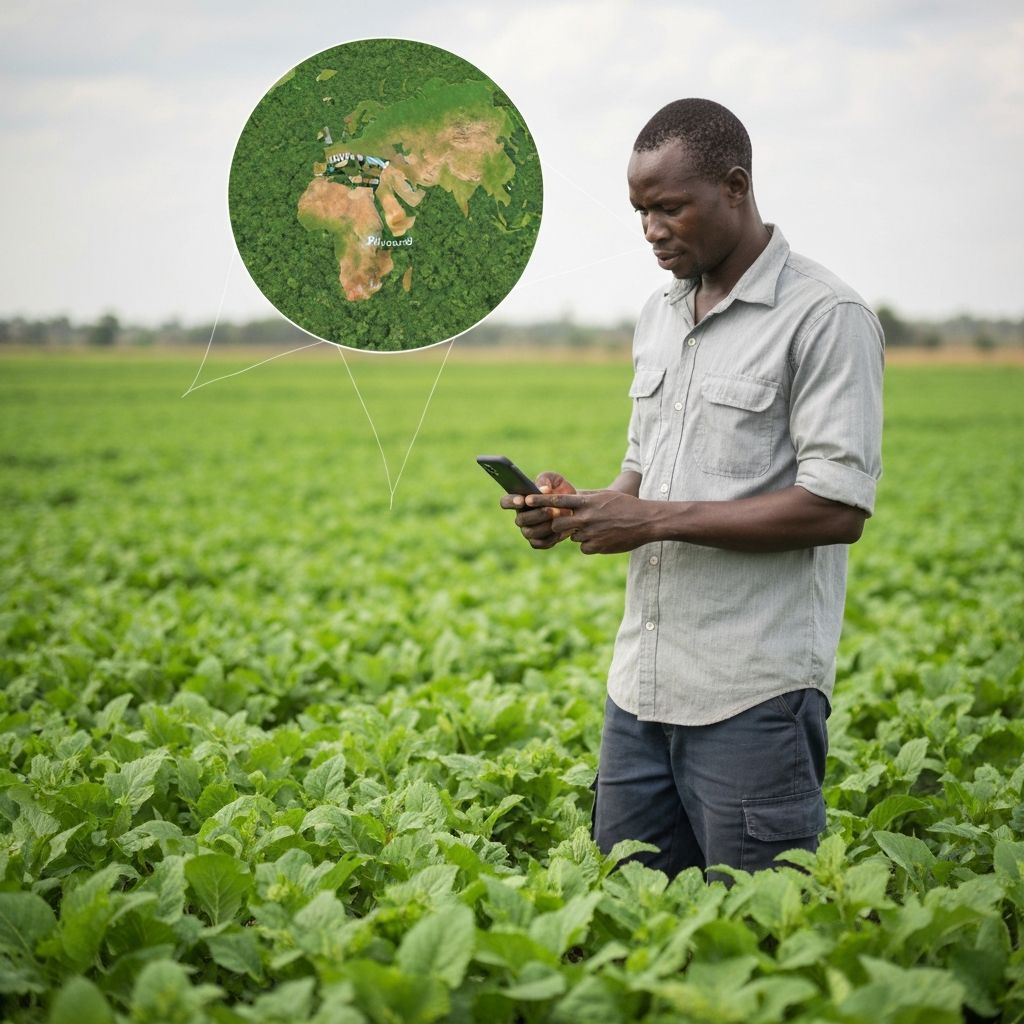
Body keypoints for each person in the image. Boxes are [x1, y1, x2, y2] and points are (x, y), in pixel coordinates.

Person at [501, 98, 884, 880]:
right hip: (639, 691)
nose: (651, 229)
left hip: (751, 697)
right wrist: (578, 509)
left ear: (736, 188)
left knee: (756, 943)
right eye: (640, 211)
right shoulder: (659, 316)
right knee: (631, 923)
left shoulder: (824, 316)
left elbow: (837, 508)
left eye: (669, 207)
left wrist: (647, 521)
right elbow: (643, 477)